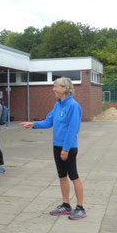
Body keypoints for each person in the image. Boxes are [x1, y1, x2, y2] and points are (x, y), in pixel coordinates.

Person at [21, 77, 86, 220]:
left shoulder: (73, 106)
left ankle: (80, 208)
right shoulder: (58, 104)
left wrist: (66, 149)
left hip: (68, 147)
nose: (53, 89)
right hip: (57, 146)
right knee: (62, 176)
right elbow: (49, 121)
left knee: (73, 176)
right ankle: (66, 205)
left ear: (64, 88)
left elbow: (73, 129)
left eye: (55, 86)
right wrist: (33, 124)